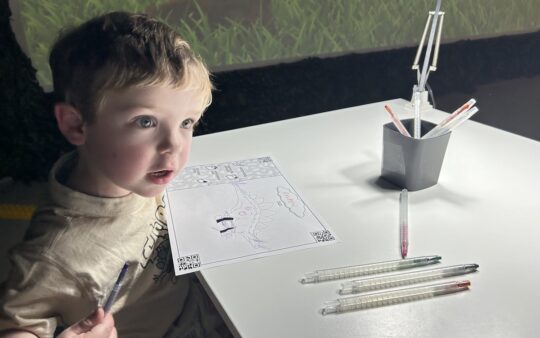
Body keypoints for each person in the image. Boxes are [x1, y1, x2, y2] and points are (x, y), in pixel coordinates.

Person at [0, 11, 229, 338]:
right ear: (76, 125)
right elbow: (16, 327)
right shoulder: (53, 253)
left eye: (187, 123)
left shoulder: (135, 172)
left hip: (196, 303)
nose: (173, 146)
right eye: (146, 122)